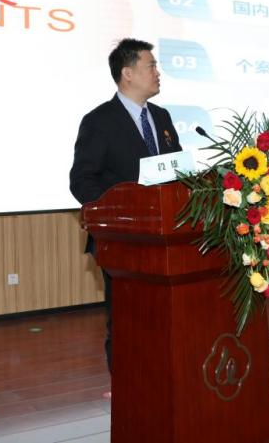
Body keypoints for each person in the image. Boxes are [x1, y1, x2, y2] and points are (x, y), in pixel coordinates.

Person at [69, 38, 183, 371]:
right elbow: (82, 180)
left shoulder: (161, 117)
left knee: (165, 320)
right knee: (127, 322)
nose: (158, 72)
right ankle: (127, 388)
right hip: (123, 241)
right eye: (152, 65)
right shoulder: (99, 120)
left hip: (166, 237)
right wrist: (116, 214)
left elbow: (176, 173)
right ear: (128, 73)